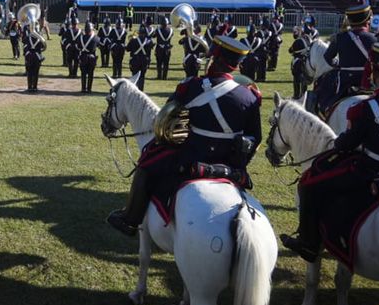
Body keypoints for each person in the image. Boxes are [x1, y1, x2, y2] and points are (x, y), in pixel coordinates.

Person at [281, 42, 379, 262]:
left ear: (373, 70)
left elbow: (346, 145)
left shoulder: (364, 108)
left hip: (372, 172)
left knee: (308, 183)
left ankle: (308, 244)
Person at [107, 36, 262, 236]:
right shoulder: (250, 95)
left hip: (193, 156)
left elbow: (167, 116)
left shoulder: (192, 86)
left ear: (216, 58)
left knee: (146, 162)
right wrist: (238, 162)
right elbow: (255, 138)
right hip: (230, 164)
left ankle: (130, 219)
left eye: (212, 57)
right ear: (235, 65)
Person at [314, 2, 377, 115]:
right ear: (368, 20)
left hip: (345, 82)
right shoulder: (375, 39)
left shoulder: (340, 37)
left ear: (350, 20)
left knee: (323, 98)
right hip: (370, 83)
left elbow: (328, 57)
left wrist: (338, 66)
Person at [288, 26, 313, 99]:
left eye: (295, 32)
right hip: (308, 60)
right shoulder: (308, 38)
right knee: (304, 79)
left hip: (299, 62)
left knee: (296, 79)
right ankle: (303, 94)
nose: (294, 34)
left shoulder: (297, 41)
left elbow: (290, 50)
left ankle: (296, 94)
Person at [76, 21, 99, 93]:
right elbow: (98, 45)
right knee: (90, 74)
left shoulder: (80, 38)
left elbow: (78, 47)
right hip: (92, 58)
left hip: (83, 57)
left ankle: (83, 88)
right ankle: (89, 89)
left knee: (83, 74)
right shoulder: (95, 38)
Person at [23, 23, 46, 93]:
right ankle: (35, 87)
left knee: (29, 72)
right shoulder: (40, 38)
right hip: (37, 57)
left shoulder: (27, 37)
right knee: (36, 73)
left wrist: (26, 54)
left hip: (29, 56)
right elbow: (43, 47)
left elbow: (24, 47)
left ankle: (29, 87)